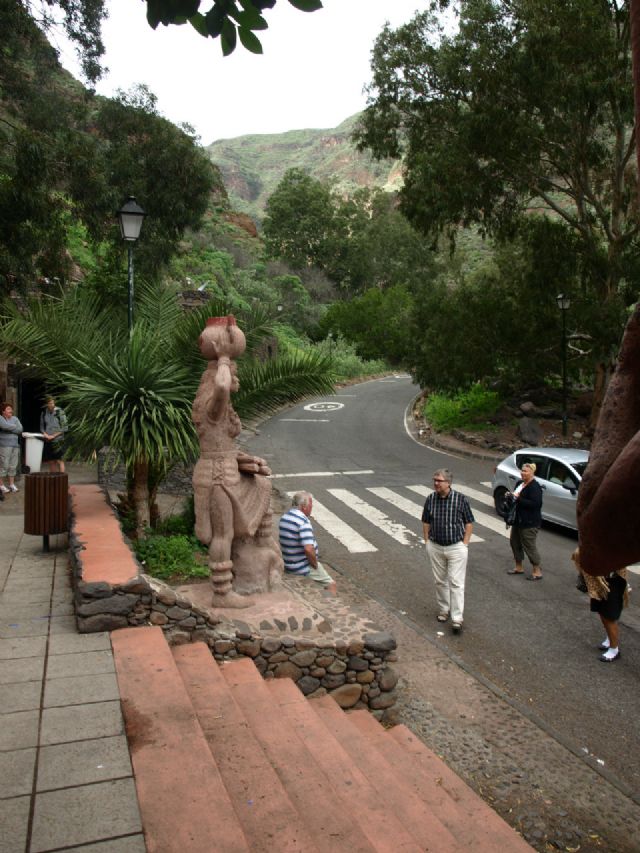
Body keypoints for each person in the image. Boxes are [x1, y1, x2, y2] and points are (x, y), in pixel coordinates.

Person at [422, 468, 474, 634]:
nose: (436, 483)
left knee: (456, 582)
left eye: (439, 480)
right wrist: (427, 541)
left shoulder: (460, 499)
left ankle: (457, 618)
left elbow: (469, 522)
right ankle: (444, 610)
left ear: (448, 482)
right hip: (436, 546)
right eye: (435, 480)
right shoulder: (431, 499)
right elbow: (426, 521)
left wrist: (465, 544)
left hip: (456, 546)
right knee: (440, 581)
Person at [572, 549, 628, 663]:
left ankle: (614, 650)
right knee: (602, 613)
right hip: (599, 579)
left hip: (612, 579)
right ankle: (610, 639)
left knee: (608, 616)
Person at [279, 491, 335, 590]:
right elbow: (308, 549)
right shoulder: (303, 522)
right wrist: (315, 565)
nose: (311, 508)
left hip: (288, 562)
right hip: (302, 565)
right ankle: (331, 597)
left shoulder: (285, 517)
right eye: (311, 505)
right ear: (304, 507)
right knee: (331, 584)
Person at [506, 462, 543, 580]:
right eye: (522, 470)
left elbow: (536, 504)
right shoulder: (520, 484)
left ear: (532, 473)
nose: (522, 473)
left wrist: (518, 499)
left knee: (529, 546)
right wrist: (510, 496)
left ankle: (537, 571)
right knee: (514, 542)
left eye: (525, 471)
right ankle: (519, 567)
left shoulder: (534, 487)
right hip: (518, 520)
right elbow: (515, 498)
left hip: (529, 523)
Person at [0, 403, 23, 494]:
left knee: (13, 465)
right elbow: (3, 426)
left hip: (15, 445)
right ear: (3, 411)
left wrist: (9, 428)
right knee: (4, 465)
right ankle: (1, 485)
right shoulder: (0, 418)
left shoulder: (15, 419)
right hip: (4, 445)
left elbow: (20, 429)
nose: (11, 411)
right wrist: (14, 427)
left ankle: (11, 484)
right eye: (8, 409)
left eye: (11, 409)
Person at [40, 396, 68, 473]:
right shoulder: (44, 413)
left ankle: (61, 479)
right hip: (48, 440)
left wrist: (53, 436)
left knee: (59, 460)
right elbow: (42, 427)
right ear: (46, 404)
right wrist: (45, 434)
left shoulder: (60, 412)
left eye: (52, 403)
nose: (51, 405)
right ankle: (53, 478)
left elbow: (65, 427)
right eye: (49, 403)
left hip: (58, 440)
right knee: (51, 461)